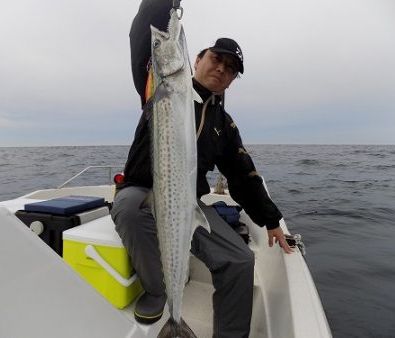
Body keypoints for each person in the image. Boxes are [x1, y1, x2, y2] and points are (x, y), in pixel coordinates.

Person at [111, 1, 293, 337]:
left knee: (240, 261)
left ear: (233, 80)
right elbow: (143, 34)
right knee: (128, 208)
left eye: (231, 68)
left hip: (188, 203)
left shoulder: (224, 125)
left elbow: (242, 174)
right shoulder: (160, 89)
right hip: (142, 188)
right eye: (216, 59)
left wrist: (270, 220)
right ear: (196, 59)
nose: (222, 69)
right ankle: (157, 289)